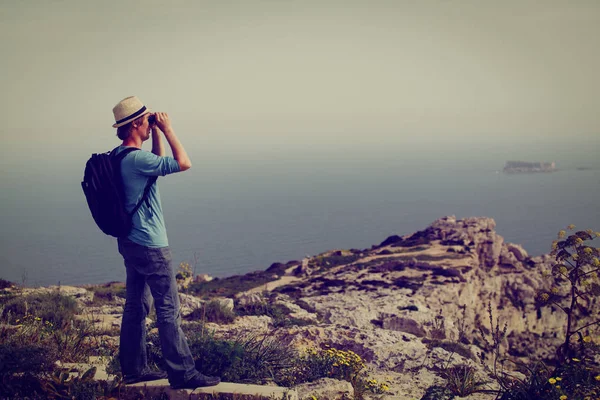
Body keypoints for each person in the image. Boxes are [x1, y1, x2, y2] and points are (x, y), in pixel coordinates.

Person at [111, 96, 220, 389]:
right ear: (135, 123)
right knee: (168, 309)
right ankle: (183, 373)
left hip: (130, 242)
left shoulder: (118, 157)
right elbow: (183, 163)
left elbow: (156, 166)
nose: (152, 123)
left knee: (135, 307)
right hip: (151, 245)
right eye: (147, 120)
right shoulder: (136, 159)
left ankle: (134, 370)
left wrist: (154, 132)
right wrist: (169, 129)